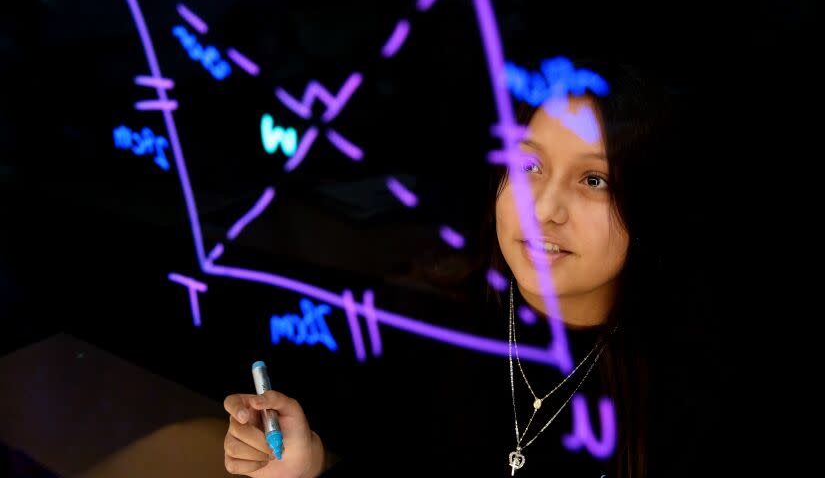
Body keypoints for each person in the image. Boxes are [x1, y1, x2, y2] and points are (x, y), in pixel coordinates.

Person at [221, 60, 722, 477]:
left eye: (593, 179)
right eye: (529, 167)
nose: (544, 209)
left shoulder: (688, 392)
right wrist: (308, 465)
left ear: (651, 204)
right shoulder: (425, 321)